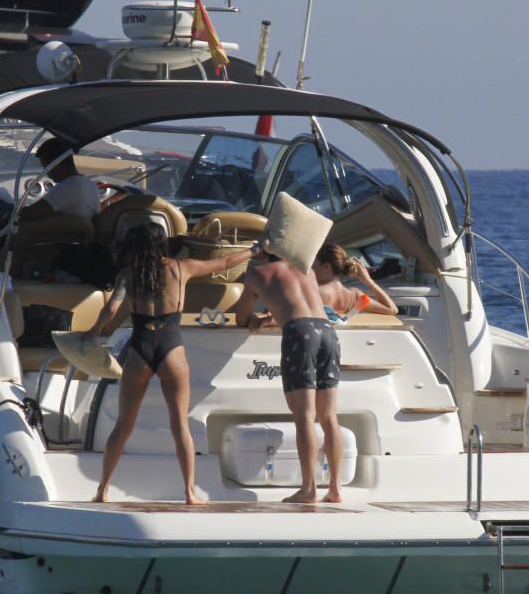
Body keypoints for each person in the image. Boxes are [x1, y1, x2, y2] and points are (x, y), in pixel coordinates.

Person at [85, 223, 260, 505]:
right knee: (180, 425)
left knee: (123, 426)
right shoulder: (181, 268)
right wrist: (254, 250)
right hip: (171, 349)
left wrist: (93, 333)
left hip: (140, 350)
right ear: (162, 245)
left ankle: (102, 490)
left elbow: (112, 308)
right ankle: (190, 493)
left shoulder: (127, 276)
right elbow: (225, 262)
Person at [233, 248, 345, 504]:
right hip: (327, 332)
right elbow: (303, 308)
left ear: (263, 252)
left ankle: (309, 489)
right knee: (329, 416)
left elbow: (241, 317)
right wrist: (273, 319)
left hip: (299, 335)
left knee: (305, 416)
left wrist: (258, 318)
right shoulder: (306, 269)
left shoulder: (257, 272)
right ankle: (336, 489)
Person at [19, 137, 100, 221]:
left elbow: (29, 214)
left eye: (46, 167)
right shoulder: (91, 185)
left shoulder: (68, 187)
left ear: (56, 164)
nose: (47, 173)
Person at [314, 243, 398, 317]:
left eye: (314, 264)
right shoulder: (355, 296)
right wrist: (368, 281)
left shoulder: (315, 293)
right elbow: (392, 309)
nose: (311, 269)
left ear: (326, 266)